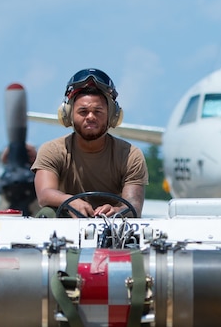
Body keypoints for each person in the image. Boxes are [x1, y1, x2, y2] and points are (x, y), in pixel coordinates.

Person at [33, 68, 148, 217]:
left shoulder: (130, 155)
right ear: (68, 115)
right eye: (83, 112)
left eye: (98, 111)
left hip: (114, 229)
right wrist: (70, 202)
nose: (91, 117)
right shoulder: (52, 150)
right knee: (46, 214)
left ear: (112, 116)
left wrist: (117, 211)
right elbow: (44, 194)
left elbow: (134, 207)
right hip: (65, 227)